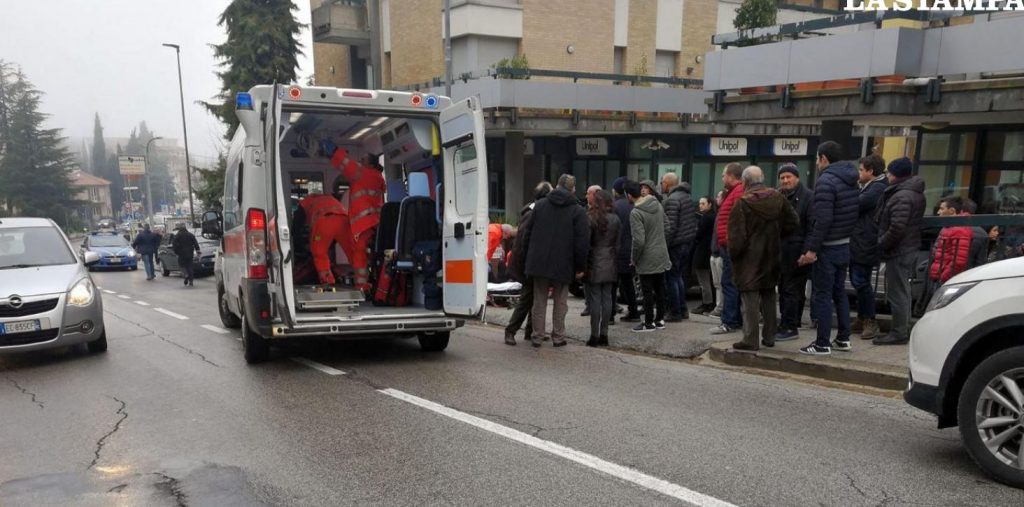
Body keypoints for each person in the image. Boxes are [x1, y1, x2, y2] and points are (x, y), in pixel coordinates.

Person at [728, 166, 800, 351]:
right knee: (769, 295)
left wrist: (734, 257)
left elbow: (736, 238)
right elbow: (794, 222)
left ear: (744, 182)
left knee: (750, 299)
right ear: (762, 178)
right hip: (772, 254)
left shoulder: (742, 203)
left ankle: (750, 339)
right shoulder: (778, 197)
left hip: (749, 259)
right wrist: (777, 236)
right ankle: (769, 336)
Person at [798, 141, 859, 356]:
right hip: (844, 244)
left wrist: (811, 249)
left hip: (828, 247)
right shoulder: (851, 179)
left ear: (823, 158)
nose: (816, 163)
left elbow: (822, 219)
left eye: (816, 159)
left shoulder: (826, 181)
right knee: (839, 292)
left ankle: (822, 343)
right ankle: (843, 338)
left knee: (822, 295)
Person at [519, 174, 590, 348]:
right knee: (560, 301)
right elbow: (582, 241)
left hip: (539, 261)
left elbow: (527, 234)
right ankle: (558, 336)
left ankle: (537, 336)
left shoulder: (540, 205)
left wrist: (526, 258)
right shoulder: (577, 211)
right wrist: (581, 265)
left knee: (539, 300)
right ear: (573, 190)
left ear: (557, 186)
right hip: (564, 262)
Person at [319, 140, 386, 291]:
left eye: (363, 160)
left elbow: (346, 164)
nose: (360, 162)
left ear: (370, 164)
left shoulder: (363, 173)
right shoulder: (377, 177)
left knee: (359, 255)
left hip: (363, 224)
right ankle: (368, 283)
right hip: (374, 222)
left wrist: (333, 150)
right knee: (367, 255)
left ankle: (362, 285)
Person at [873, 157, 925, 346]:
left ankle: (899, 332)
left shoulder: (902, 196)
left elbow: (897, 227)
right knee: (902, 291)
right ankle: (901, 329)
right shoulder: (910, 192)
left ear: (896, 174)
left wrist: (881, 243)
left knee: (898, 292)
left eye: (889, 172)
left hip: (900, 249)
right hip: (907, 247)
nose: (887, 175)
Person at [504, 181, 552, 346]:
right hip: (527, 263)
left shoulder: (533, 210)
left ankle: (530, 331)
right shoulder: (533, 213)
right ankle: (511, 330)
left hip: (531, 262)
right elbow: (524, 241)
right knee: (527, 298)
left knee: (534, 297)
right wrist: (527, 265)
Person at [849, 154, 888, 340]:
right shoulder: (869, 187)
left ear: (871, 171)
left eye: (861, 169)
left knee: (861, 281)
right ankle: (862, 317)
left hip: (866, 241)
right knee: (858, 281)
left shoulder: (877, 189)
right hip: (860, 241)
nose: (859, 173)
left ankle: (870, 320)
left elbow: (856, 205)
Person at [776, 164, 814, 341]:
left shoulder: (808, 197)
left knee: (792, 290)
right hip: (782, 252)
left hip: (798, 252)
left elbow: (811, 228)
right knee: (785, 289)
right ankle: (789, 322)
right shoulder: (779, 195)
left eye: (788, 177)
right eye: (782, 177)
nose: (785, 180)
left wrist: (807, 251)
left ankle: (789, 326)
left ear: (797, 178)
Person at [627, 181, 671, 332]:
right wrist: (660, 241)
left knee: (646, 291)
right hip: (661, 253)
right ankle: (660, 320)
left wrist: (634, 257)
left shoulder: (636, 212)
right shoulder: (657, 205)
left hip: (646, 256)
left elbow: (638, 240)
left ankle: (648, 322)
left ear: (629, 195)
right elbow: (667, 226)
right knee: (660, 288)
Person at [710, 163, 745, 335]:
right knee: (730, 283)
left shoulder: (738, 192)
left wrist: (730, 240)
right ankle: (734, 319)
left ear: (731, 176)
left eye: (724, 175)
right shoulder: (733, 192)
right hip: (728, 244)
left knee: (728, 283)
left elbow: (738, 219)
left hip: (731, 245)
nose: (722, 178)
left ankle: (729, 321)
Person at [585, 190, 621, 347]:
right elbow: (618, 244)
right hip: (611, 260)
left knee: (594, 299)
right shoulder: (616, 219)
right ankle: (604, 334)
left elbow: (586, 243)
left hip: (595, 260)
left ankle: (594, 335)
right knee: (608, 299)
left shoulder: (591, 218)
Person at [660, 173, 697, 322]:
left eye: (662, 182)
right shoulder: (686, 197)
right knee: (679, 277)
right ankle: (682, 309)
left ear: (668, 183)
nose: (661, 185)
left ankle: (675, 311)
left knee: (671, 278)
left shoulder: (672, 200)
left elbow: (671, 226)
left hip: (676, 244)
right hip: (687, 242)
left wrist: (665, 245)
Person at [299, 191, 352, 286]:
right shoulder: (330, 198)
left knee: (319, 253)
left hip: (324, 223)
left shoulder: (305, 202)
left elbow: (297, 226)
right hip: (344, 221)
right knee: (354, 252)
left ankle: (328, 281)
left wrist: (301, 244)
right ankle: (361, 280)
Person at [612, 177, 642, 322]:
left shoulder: (615, 206)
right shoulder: (635, 206)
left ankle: (610, 314)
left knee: (612, 284)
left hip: (617, 250)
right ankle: (634, 311)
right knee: (628, 283)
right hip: (631, 249)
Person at [929, 196, 973, 284]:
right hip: (940, 276)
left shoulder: (959, 230)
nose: (938, 212)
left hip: (944, 279)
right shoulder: (950, 228)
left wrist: (943, 278)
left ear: (952, 211)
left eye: (942, 209)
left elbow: (959, 261)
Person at [692, 196, 716, 315]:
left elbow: (699, 234)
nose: (700, 205)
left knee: (704, 280)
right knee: (707, 280)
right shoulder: (711, 216)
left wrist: (696, 235)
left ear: (710, 204)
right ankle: (708, 302)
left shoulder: (706, 218)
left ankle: (707, 304)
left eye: (703, 203)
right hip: (707, 251)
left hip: (703, 252)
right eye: (700, 203)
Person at [706, 190, 726, 317]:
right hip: (714, 252)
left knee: (721, 283)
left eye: (719, 196)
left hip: (719, 253)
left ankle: (720, 307)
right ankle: (718, 306)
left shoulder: (724, 213)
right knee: (717, 283)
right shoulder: (719, 213)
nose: (716, 198)